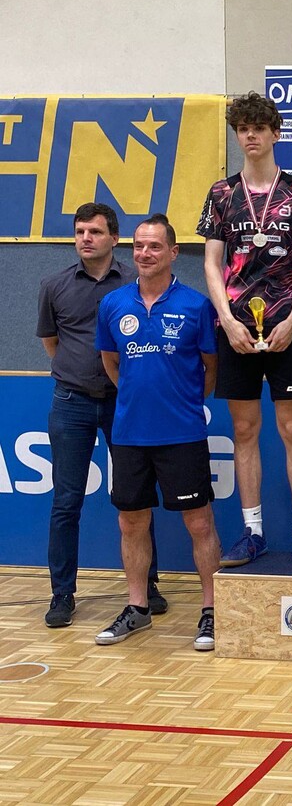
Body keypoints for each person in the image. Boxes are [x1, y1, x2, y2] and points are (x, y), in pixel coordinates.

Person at [197, 92, 292, 569]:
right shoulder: (220, 194)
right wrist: (228, 321)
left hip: (287, 327)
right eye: (243, 129)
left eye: (258, 128)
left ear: (275, 133)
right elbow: (211, 265)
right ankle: (252, 532)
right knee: (244, 429)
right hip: (235, 329)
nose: (250, 136)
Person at [93, 215, 221, 651]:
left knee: (199, 522)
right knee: (131, 522)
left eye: (154, 246)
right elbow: (111, 363)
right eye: (138, 246)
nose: (144, 254)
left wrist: (180, 402)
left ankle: (211, 610)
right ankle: (138, 607)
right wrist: (138, 398)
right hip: (129, 433)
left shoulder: (196, 306)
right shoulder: (113, 304)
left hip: (182, 432)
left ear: (172, 253)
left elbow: (209, 370)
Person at [37, 203, 168, 628]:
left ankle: (147, 586)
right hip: (71, 402)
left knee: (136, 498)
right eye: (80, 232)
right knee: (66, 501)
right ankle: (62, 594)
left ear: (114, 238)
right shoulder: (54, 285)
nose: (85, 239)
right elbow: (52, 343)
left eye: (94, 231)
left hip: (124, 403)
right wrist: (79, 373)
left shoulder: (136, 283)